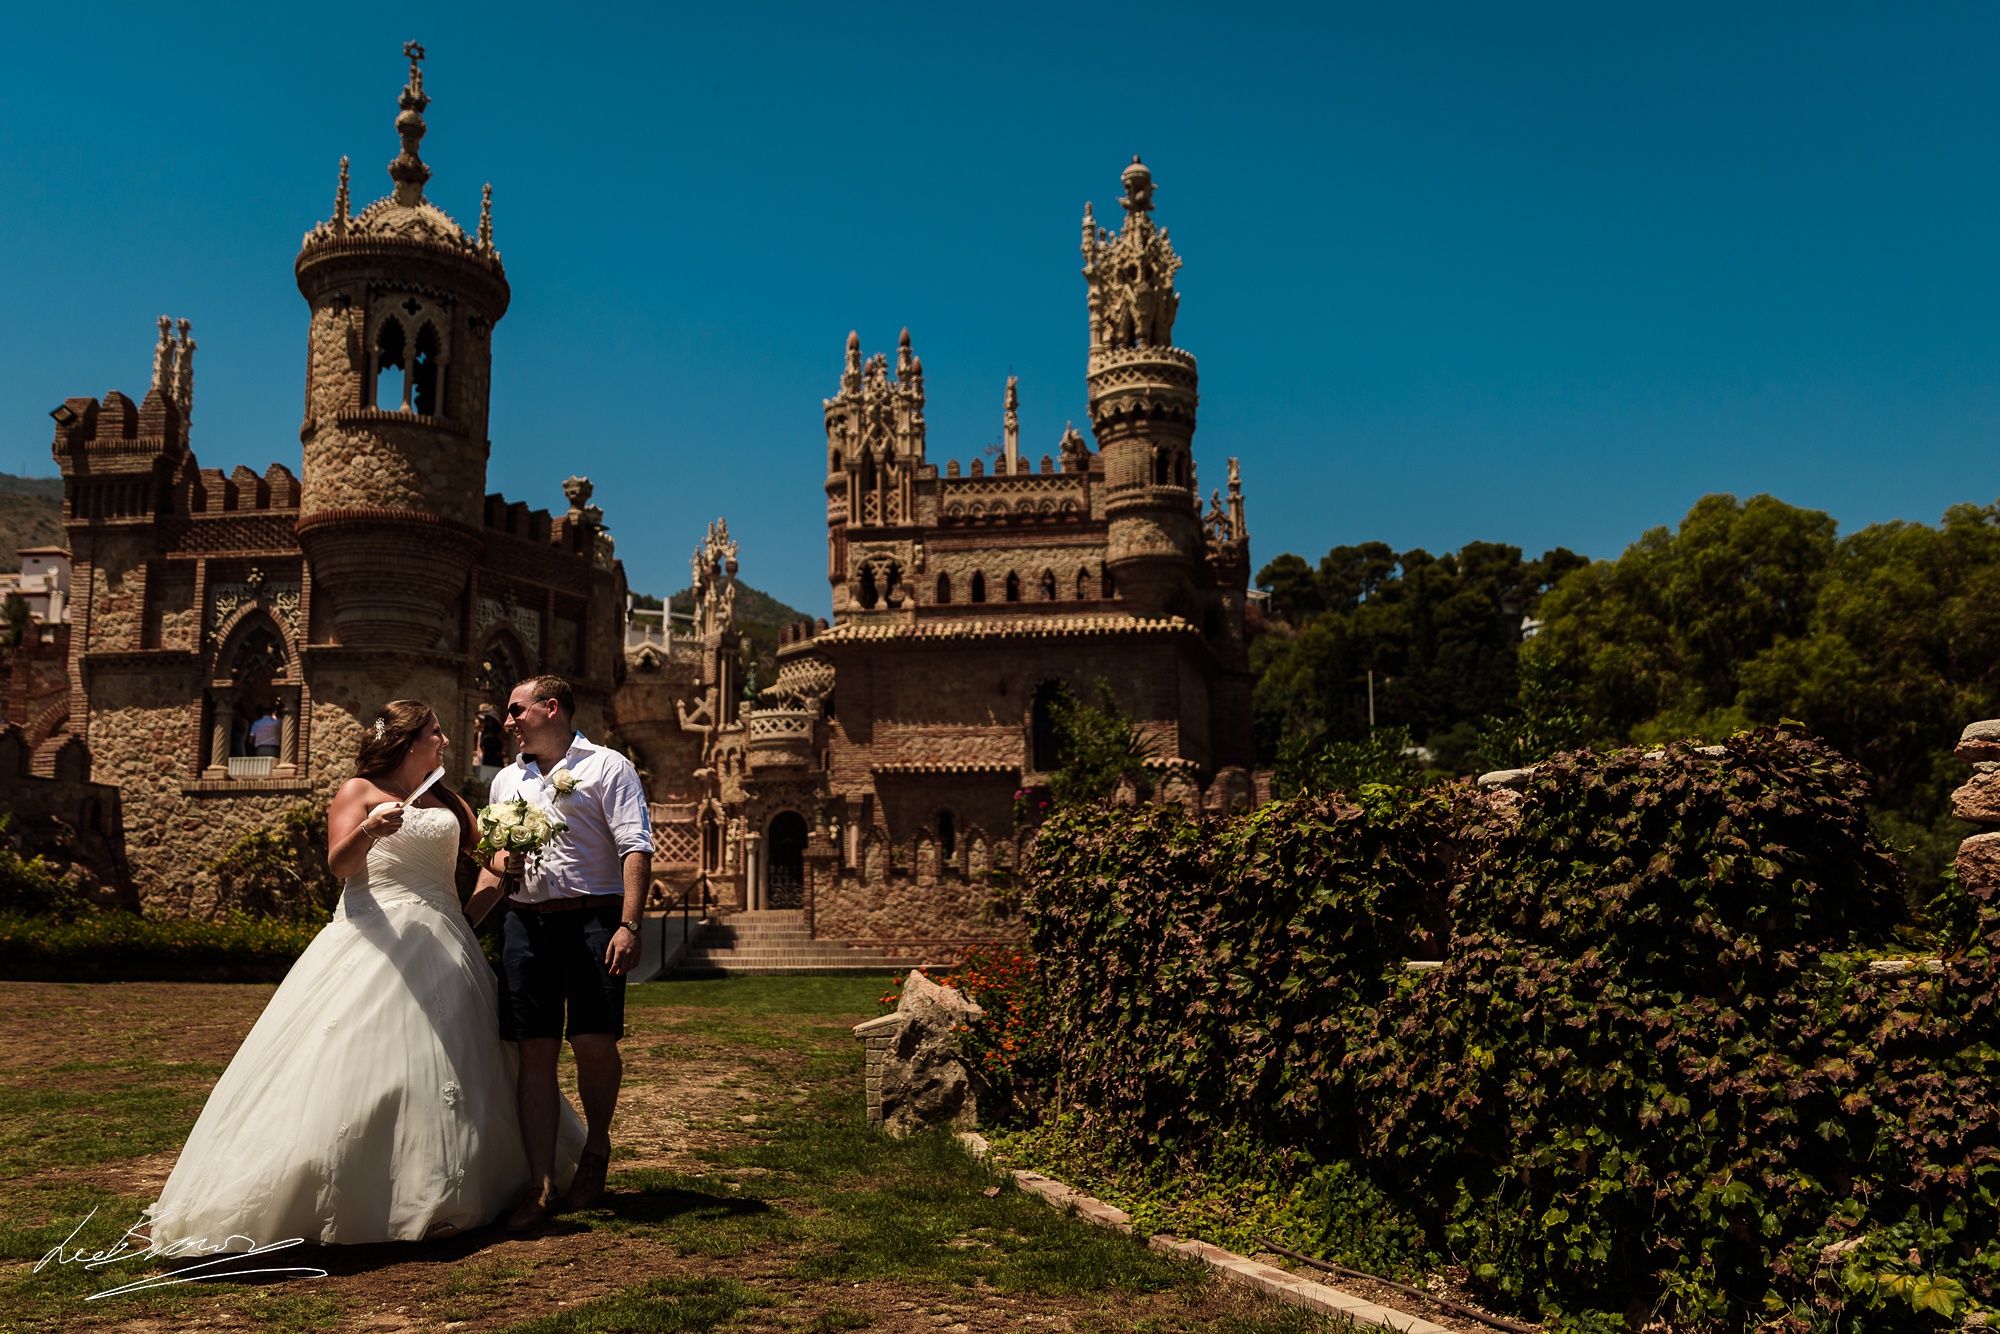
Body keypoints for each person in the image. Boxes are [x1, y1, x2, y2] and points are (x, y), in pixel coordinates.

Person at [146, 701, 581, 1250]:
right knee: (362, 1060)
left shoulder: (448, 798)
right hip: (375, 938)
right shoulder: (359, 792)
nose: (445, 740)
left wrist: (506, 863)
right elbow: (340, 866)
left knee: (453, 1066)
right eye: (435, 732)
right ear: (405, 740)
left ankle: (456, 1191)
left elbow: (489, 859)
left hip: (447, 943)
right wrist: (370, 831)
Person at [467, 674, 651, 1232]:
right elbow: (491, 857)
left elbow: (635, 847)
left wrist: (629, 925)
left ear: (551, 708)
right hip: (525, 924)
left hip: (595, 921)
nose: (508, 720)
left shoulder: (608, 767)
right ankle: (540, 1183)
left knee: (594, 1043)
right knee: (533, 1053)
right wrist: (502, 868)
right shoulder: (504, 781)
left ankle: (596, 1147)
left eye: (516, 710)